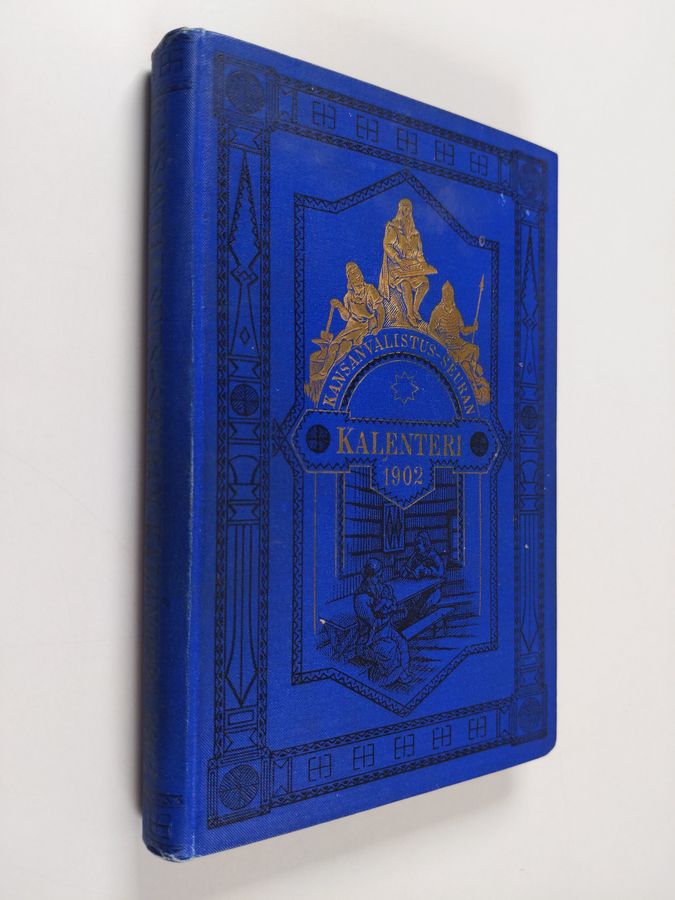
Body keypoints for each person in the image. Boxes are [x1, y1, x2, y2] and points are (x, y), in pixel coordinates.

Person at [309, 261, 384, 384]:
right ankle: (324, 373)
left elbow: (380, 310)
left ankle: (333, 371)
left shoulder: (370, 290)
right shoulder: (348, 296)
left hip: (365, 325)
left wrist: (379, 327)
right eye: (353, 275)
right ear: (350, 279)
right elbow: (346, 316)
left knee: (345, 346)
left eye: (358, 273)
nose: (357, 276)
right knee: (333, 346)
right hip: (352, 325)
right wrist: (339, 306)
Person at [428, 280, 490, 404]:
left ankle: (473, 369)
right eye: (446, 294)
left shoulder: (456, 312)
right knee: (464, 365)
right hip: (447, 346)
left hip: (458, 343)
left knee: (474, 349)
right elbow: (431, 329)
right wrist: (441, 343)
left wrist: (473, 328)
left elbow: (463, 330)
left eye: (450, 294)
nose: (448, 296)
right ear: (443, 295)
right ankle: (474, 387)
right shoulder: (437, 312)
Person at [378, 198, 437, 328]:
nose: (406, 213)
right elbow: (387, 245)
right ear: (400, 211)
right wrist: (398, 259)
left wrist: (424, 264)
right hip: (395, 267)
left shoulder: (414, 233)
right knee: (405, 285)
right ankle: (409, 314)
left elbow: (419, 253)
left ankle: (415, 309)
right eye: (404, 210)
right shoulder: (393, 228)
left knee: (424, 283)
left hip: (411, 267)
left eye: (408, 210)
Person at [353, 558, 411, 686]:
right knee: (390, 649)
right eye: (377, 576)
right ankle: (388, 678)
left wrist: (390, 604)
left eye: (380, 576)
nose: (380, 579)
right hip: (369, 639)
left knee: (402, 643)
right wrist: (385, 606)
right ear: (368, 577)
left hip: (386, 630)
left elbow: (393, 603)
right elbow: (374, 623)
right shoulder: (361, 599)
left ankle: (401, 671)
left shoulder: (381, 587)